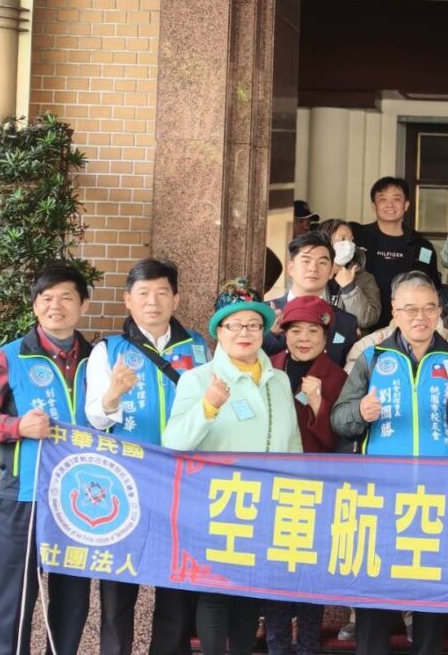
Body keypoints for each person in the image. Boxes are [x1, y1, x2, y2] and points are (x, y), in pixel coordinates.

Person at [330, 271, 448, 654]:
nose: (420, 317)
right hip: (382, 495)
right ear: (394, 311)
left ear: (440, 311)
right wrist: (361, 413)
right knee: (376, 593)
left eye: (429, 308)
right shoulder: (372, 358)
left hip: (440, 496)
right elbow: (339, 419)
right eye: (410, 309)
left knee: (430, 597)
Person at [0, 263, 95, 655]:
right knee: (14, 599)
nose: (56, 306)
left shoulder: (97, 359)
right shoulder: (10, 357)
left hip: (80, 498)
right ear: (35, 306)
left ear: (83, 305)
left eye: (67, 297)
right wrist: (17, 426)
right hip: (25, 495)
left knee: (73, 601)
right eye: (47, 298)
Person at [163, 279, 304, 655]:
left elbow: (292, 442)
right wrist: (208, 406)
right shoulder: (198, 379)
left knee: (248, 595)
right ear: (219, 331)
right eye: (235, 325)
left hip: (267, 505)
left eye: (254, 325)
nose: (245, 333)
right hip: (219, 504)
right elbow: (174, 442)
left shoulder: (278, 381)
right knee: (215, 593)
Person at [83, 258, 208, 655]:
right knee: (119, 587)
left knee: (177, 586)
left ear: (176, 299)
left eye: (161, 293)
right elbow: (94, 417)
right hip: (127, 482)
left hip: (183, 483)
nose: (152, 302)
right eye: (143, 293)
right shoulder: (108, 350)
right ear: (128, 300)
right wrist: (113, 394)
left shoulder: (198, 348)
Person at [263, 295, 347, 655]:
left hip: (316, 488)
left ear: (325, 337)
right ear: (284, 334)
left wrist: (317, 403)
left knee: (311, 572)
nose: (303, 338)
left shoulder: (337, 376)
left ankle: (309, 645)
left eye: (313, 331)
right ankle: (277, 645)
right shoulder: (269, 367)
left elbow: (338, 438)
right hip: (273, 485)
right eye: (295, 330)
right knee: (274, 572)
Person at [352, 176, 441, 330]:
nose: (390, 205)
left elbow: (432, 287)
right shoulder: (358, 238)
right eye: (383, 199)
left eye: (396, 199)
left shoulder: (422, 247)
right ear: (373, 206)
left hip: (408, 328)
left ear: (406, 205)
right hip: (362, 325)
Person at [265, 231, 360, 366]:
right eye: (306, 261)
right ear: (291, 267)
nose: (313, 268)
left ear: (331, 271)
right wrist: (271, 335)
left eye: (322, 262)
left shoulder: (346, 322)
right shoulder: (263, 313)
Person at [318, 218, 383, 330]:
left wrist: (349, 288)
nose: (349, 245)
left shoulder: (365, 278)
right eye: (343, 239)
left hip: (350, 340)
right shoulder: (311, 275)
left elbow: (367, 319)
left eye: (351, 240)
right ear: (325, 242)